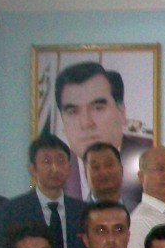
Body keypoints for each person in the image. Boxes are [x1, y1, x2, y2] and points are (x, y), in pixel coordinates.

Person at [0, 134, 88, 248]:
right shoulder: (12, 211)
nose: (54, 168)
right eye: (46, 161)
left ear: (69, 167)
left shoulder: (83, 211)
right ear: (32, 168)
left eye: (60, 161)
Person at [53, 61, 151, 207]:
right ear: (62, 121)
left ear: (121, 111)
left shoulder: (148, 161)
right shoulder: (56, 175)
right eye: (73, 112)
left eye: (98, 108)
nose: (86, 123)